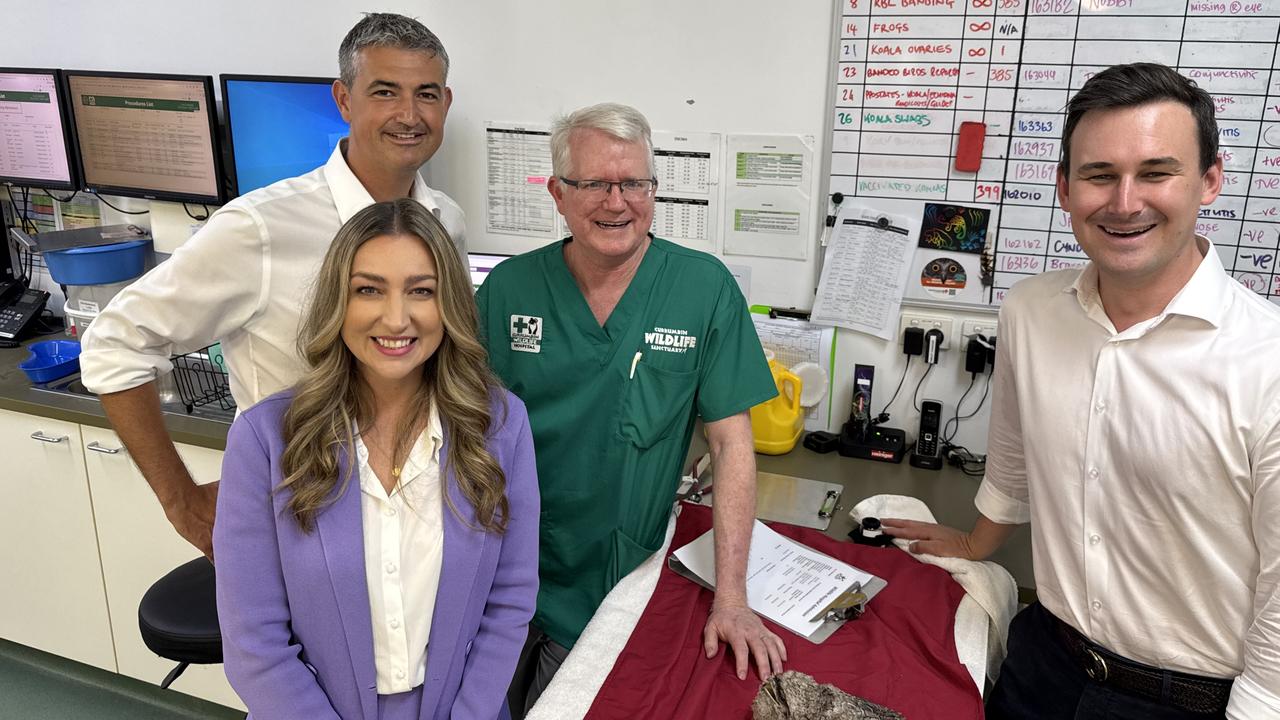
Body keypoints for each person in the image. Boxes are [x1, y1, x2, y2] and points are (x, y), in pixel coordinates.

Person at [883, 63, 1280, 718]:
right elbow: (1013, 450)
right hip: (1044, 664)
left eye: (1156, 172)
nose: (1125, 203)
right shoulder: (1030, 310)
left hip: (1187, 699)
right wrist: (978, 544)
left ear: (1210, 179)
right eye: (1100, 175)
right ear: (1065, 188)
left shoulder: (1265, 357)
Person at [80, 12, 465, 560]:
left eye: (425, 94)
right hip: (299, 522)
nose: (409, 114)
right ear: (344, 99)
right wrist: (181, 501)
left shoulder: (446, 222)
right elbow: (113, 342)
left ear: (445, 103)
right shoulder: (260, 228)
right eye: (385, 92)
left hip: (413, 516)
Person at [475, 103, 786, 716]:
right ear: (558, 194)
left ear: (653, 190)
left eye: (634, 184)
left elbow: (731, 446)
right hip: (500, 573)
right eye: (593, 184)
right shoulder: (508, 291)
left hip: (615, 579)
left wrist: (732, 598)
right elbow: (459, 431)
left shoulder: (703, 290)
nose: (616, 202)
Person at [215, 198, 537, 719]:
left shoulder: (500, 426)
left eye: (421, 291)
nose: (396, 317)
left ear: (449, 304)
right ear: (338, 303)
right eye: (369, 289)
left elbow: (509, 604)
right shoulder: (266, 439)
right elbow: (255, 645)